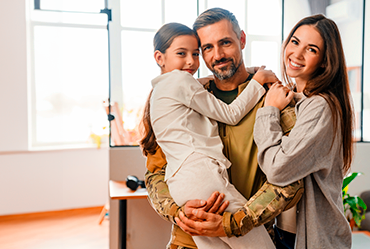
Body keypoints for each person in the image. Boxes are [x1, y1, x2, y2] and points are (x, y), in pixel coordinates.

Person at [143, 8, 304, 249]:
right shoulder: (186, 94)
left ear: (242, 40)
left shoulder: (273, 99)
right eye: (207, 48)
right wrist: (177, 211)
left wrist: (236, 221)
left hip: (245, 231)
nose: (217, 55)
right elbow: (155, 173)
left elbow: (292, 177)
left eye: (225, 43)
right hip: (187, 241)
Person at [253, 14, 354, 248]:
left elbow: (278, 169)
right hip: (284, 232)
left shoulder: (321, 106)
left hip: (314, 238)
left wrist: (268, 110)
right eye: (295, 42)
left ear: (325, 61)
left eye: (311, 49)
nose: (297, 54)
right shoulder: (296, 98)